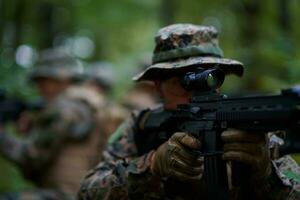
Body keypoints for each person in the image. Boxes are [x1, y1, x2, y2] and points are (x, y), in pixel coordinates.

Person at [78, 24, 300, 200]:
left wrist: (265, 175)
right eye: (182, 81)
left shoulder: (248, 129)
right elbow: (87, 191)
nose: (195, 92)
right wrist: (152, 165)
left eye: (210, 77)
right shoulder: (141, 125)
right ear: (158, 86)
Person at [0, 48, 105, 200]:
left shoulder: (63, 109)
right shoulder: (87, 104)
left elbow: (30, 157)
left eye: (43, 80)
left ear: (61, 79)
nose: (39, 87)